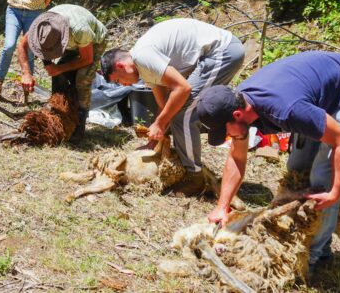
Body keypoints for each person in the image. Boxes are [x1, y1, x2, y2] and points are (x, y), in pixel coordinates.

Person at [193, 51, 340, 271]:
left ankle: (315, 257)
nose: (227, 137)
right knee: (297, 169)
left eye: (224, 131)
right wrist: (222, 206)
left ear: (237, 114)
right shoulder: (240, 104)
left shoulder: (286, 109)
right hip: (320, 96)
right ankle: (304, 236)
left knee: (323, 177)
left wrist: (335, 193)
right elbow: (237, 157)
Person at [99, 18, 245, 195]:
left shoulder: (143, 56)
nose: (124, 85)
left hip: (223, 51)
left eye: (118, 80)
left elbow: (183, 89)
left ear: (120, 65)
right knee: (177, 110)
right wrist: (153, 141)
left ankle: (195, 178)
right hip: (216, 54)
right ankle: (191, 165)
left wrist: (160, 124)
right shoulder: (144, 68)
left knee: (183, 113)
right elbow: (165, 104)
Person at [18, 4, 107, 143]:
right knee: (60, 75)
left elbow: (86, 59)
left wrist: (59, 69)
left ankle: (79, 127)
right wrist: (26, 73)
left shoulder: (80, 30)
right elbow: (22, 44)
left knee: (82, 79)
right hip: (71, 41)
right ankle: (59, 112)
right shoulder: (43, 26)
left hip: (93, 43)